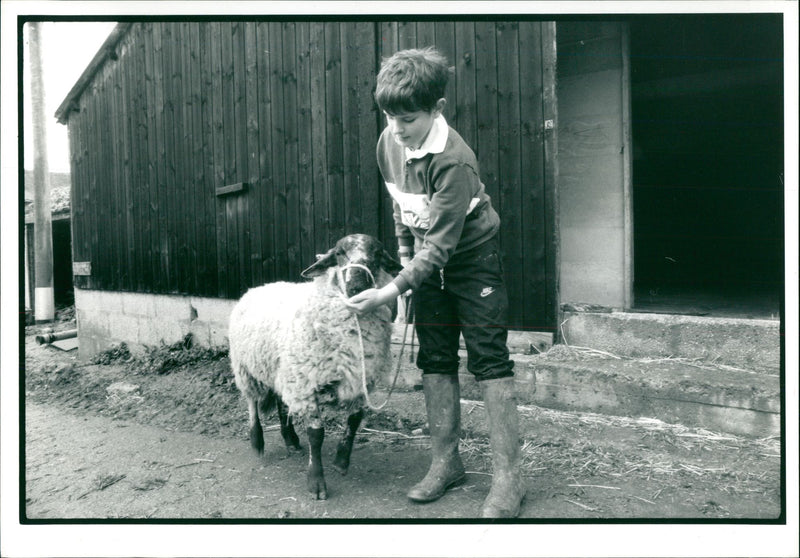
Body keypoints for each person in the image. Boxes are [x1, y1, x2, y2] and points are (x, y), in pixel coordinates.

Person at [344, 47, 525, 518]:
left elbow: (442, 247)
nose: (398, 130)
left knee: (488, 359)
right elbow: (403, 211)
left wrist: (391, 290)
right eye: (389, 117)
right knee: (436, 358)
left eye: (408, 119)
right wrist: (405, 268)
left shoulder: (454, 162)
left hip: (471, 259)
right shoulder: (389, 143)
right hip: (426, 264)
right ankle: (447, 462)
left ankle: (509, 480)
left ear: (436, 109)